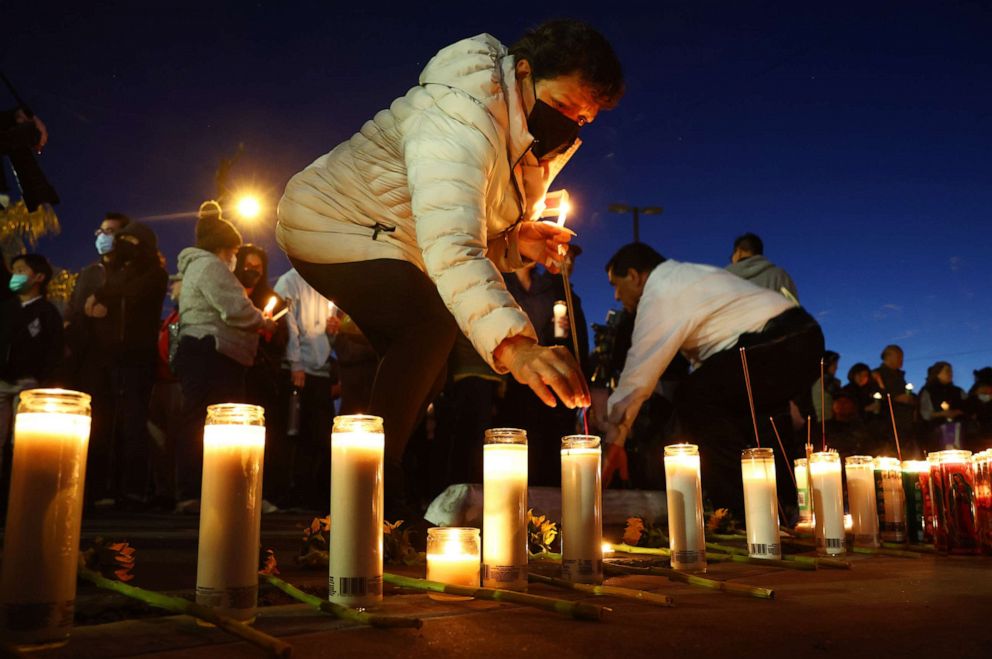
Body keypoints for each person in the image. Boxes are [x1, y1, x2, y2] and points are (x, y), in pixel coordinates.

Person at [276, 20, 617, 519]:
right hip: (331, 221)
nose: (570, 125)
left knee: (427, 366)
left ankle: (364, 498)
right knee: (426, 325)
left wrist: (515, 240)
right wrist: (516, 346)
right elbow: (452, 243)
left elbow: (460, 227)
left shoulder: (522, 142)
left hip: (394, 239)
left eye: (583, 119)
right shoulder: (462, 116)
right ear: (524, 72)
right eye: (564, 106)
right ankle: (363, 505)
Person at [603, 243, 823, 518]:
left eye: (616, 284)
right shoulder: (688, 276)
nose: (615, 295)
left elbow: (638, 372)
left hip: (778, 341)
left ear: (634, 276)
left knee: (693, 398)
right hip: (801, 337)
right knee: (752, 420)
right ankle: (781, 514)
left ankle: (739, 514)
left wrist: (615, 440)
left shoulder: (662, 289)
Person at [173, 201, 273, 512]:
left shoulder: (196, 266)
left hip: (204, 352)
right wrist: (263, 320)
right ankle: (216, 492)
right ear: (224, 247)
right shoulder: (210, 266)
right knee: (219, 426)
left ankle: (203, 491)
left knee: (200, 423)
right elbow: (235, 309)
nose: (235, 258)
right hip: (212, 353)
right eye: (233, 251)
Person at [63, 212, 131, 505]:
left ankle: (104, 488)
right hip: (85, 359)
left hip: (115, 360)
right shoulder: (91, 273)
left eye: (112, 231)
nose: (105, 237)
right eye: (102, 231)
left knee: (110, 424)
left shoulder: (130, 273)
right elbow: (77, 311)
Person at [273, 267, 336, 510]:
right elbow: (289, 324)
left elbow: (322, 329)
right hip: (300, 371)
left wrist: (331, 333)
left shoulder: (323, 281)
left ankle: (312, 493)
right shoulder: (289, 281)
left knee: (319, 435)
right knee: (297, 432)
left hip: (319, 368)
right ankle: (296, 492)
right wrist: (295, 362)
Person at [0, 254, 63, 482]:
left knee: (24, 442)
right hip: (1, 382)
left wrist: (42, 379)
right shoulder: (6, 309)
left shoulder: (47, 313)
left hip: (28, 385)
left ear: (39, 277)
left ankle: (19, 488)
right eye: (14, 269)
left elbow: (54, 350)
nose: (15, 275)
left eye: (21, 270)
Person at [726, 232, 799, 302]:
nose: (731, 259)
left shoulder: (719, 279)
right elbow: (793, 310)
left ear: (739, 252)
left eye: (732, 255)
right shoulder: (780, 277)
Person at [873, 344, 918, 453]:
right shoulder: (876, 375)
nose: (901, 360)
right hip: (887, 425)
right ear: (888, 356)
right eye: (898, 356)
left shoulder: (899, 376)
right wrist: (895, 398)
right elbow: (876, 395)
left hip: (904, 424)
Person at [919, 361, 966, 451]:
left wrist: (958, 412)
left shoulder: (958, 391)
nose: (950, 374)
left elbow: (967, 407)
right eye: (947, 371)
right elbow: (925, 413)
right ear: (938, 373)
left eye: (951, 371)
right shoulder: (928, 391)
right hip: (936, 432)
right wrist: (942, 414)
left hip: (959, 430)